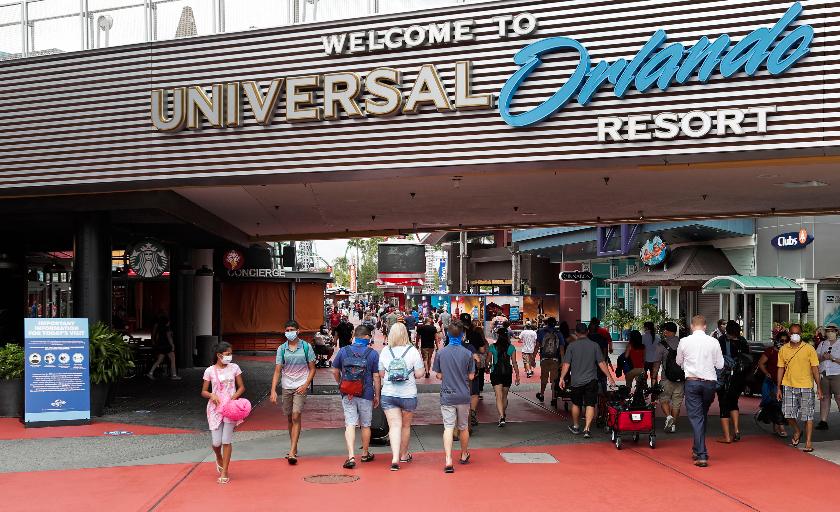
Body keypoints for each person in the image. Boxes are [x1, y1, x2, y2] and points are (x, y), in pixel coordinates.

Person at [677, 315, 724, 467]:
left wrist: (687, 365)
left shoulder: (684, 341)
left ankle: (702, 454)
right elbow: (720, 365)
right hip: (709, 383)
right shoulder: (714, 341)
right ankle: (696, 448)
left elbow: (678, 361)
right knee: (702, 415)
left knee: (697, 418)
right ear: (705, 326)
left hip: (692, 382)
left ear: (691, 326)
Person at [331, 325, 380, 469]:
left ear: (355, 336)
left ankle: (351, 456)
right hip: (366, 393)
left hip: (348, 393)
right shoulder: (373, 354)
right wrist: (377, 395)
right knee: (365, 425)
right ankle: (365, 453)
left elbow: (334, 371)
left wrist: (341, 384)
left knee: (350, 424)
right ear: (366, 337)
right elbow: (376, 377)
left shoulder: (343, 351)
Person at [378, 322, 425, 471]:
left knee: (394, 426)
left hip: (389, 394)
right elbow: (419, 373)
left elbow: (381, 373)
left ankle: (394, 458)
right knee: (405, 426)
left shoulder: (385, 351)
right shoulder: (413, 351)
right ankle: (404, 455)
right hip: (408, 394)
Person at [270, 320, 316, 465]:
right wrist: (273, 390)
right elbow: (277, 370)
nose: (289, 332)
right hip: (286, 386)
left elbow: (312, 368)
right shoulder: (282, 349)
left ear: (298, 331)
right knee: (290, 418)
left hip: (301, 385)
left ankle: (291, 451)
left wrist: (305, 385)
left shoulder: (306, 347)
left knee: (296, 415)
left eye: (292, 330)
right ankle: (294, 447)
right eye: (287, 330)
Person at [559, 323, 616, 437]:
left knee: (576, 404)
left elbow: (566, 364)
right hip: (591, 380)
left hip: (576, 381)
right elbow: (601, 362)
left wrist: (562, 378)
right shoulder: (595, 345)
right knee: (590, 404)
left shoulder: (571, 346)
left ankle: (576, 426)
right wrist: (610, 377)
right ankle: (587, 429)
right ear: (587, 332)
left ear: (576, 333)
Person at [433, 322, 476, 473]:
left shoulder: (441, 353)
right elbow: (471, 376)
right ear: (462, 335)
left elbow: (438, 375)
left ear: (448, 335)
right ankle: (464, 454)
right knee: (463, 427)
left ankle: (448, 459)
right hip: (463, 395)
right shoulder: (468, 353)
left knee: (448, 427)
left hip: (447, 395)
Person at [201, 342, 245, 484]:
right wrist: (211, 395)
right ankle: (218, 456)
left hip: (230, 408)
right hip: (215, 409)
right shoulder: (209, 371)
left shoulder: (235, 368)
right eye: (227, 354)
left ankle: (225, 471)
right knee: (216, 442)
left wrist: (233, 397)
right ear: (219, 355)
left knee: (226, 440)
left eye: (230, 353)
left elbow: (241, 387)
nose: (230, 356)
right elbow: (204, 391)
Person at [777, 323, 823, 452]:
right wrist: (778, 387)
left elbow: (815, 369)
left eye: (797, 333)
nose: (795, 335)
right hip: (788, 385)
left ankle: (808, 442)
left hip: (806, 386)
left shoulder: (809, 349)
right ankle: (797, 430)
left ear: (801, 334)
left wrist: (819, 387)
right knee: (787, 413)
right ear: (789, 334)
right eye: (792, 333)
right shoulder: (783, 349)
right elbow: (780, 368)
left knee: (808, 415)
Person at [716, 320, 751, 444]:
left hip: (725, 377)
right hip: (739, 378)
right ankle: (736, 430)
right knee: (734, 403)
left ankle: (727, 437)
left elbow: (716, 357)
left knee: (723, 405)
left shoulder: (722, 340)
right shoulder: (743, 341)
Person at [757, 331, 789, 438]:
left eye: (786, 341)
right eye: (782, 340)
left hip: (785, 382)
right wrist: (766, 373)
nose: (784, 343)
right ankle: (781, 427)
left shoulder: (788, 352)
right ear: (777, 340)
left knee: (780, 405)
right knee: (776, 404)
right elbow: (761, 363)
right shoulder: (770, 351)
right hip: (772, 382)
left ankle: (776, 426)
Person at [489, 330, 520, 427]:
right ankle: (503, 413)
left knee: (498, 396)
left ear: (498, 336)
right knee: (504, 396)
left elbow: (488, 360)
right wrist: (517, 375)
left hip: (496, 373)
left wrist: (487, 366)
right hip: (507, 373)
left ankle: (501, 417)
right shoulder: (511, 347)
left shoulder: (492, 347)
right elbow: (514, 362)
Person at [659, 322, 684, 433]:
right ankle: (673, 425)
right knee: (676, 402)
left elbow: (656, 363)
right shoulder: (683, 343)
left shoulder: (661, 345)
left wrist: (654, 377)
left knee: (664, 399)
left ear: (666, 331)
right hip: (681, 377)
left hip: (666, 378)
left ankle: (668, 416)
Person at [536, 317, 565, 407]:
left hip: (544, 359)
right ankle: (553, 398)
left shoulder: (541, 332)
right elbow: (561, 348)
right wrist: (562, 360)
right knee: (554, 379)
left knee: (544, 377)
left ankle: (542, 394)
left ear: (547, 323)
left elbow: (537, 345)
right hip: (555, 359)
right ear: (555, 323)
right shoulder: (558, 333)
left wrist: (533, 357)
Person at [816, 324, 840, 430]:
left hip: (837, 374)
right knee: (825, 397)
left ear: (836, 332)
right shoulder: (822, 344)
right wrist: (823, 357)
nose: (830, 333)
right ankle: (823, 421)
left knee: (839, 397)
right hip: (824, 374)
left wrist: (832, 358)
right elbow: (816, 359)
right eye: (828, 331)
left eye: (832, 331)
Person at [146, 314, 181, 380]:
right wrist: (172, 345)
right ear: (166, 322)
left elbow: (157, 338)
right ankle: (174, 375)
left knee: (159, 360)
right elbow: (169, 338)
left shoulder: (159, 329)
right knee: (173, 359)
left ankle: (150, 373)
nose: (169, 322)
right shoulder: (167, 329)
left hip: (161, 346)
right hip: (167, 346)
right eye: (168, 321)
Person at [642, 321, 663, 387]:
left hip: (645, 360)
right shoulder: (658, 337)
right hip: (655, 360)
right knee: (654, 377)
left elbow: (642, 349)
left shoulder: (643, 337)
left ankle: (644, 389)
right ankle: (654, 390)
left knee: (643, 377)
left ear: (646, 327)